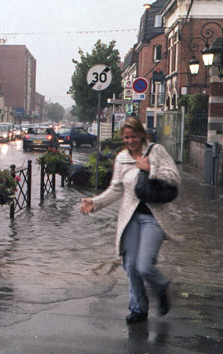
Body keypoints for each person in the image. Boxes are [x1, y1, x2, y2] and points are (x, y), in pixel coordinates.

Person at [79, 117, 180, 324]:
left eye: (134, 136)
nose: (130, 140)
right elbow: (116, 189)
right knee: (131, 266)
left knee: (145, 266)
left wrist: (150, 168)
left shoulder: (157, 151)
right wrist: (95, 203)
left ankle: (161, 287)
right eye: (126, 137)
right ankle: (138, 308)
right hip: (130, 219)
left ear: (141, 134)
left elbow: (174, 178)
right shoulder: (122, 158)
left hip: (154, 217)